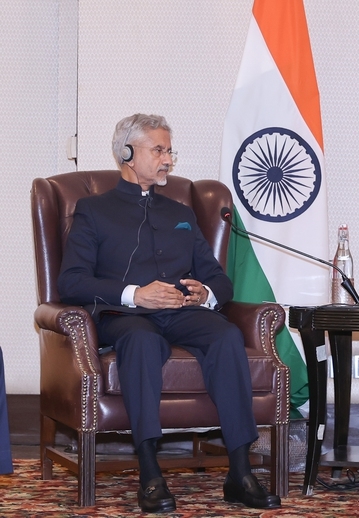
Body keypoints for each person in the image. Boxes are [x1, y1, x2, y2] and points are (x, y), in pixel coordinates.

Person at [57, 113, 281, 513]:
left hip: (180, 312)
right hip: (124, 316)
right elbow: (71, 282)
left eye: (170, 151)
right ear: (127, 154)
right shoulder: (93, 210)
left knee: (226, 335)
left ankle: (240, 473)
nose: (168, 160)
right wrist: (135, 294)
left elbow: (218, 278)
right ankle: (150, 472)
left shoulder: (180, 212)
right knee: (142, 341)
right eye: (159, 150)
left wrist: (205, 293)